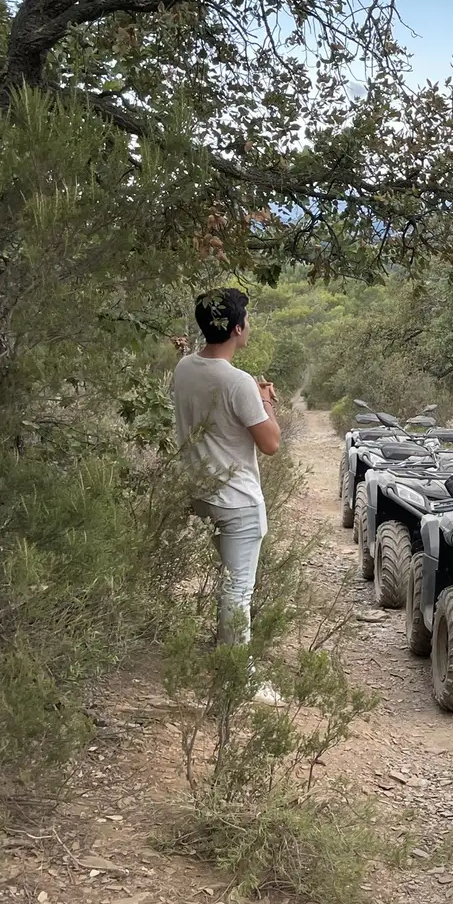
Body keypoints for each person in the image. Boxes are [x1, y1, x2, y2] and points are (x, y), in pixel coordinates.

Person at [173, 288, 282, 702]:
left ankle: (227, 656)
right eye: (247, 321)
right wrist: (265, 401)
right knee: (239, 589)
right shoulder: (238, 382)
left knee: (229, 581)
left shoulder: (185, 367)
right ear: (237, 328)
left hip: (203, 492)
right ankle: (240, 677)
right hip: (237, 499)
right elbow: (270, 443)